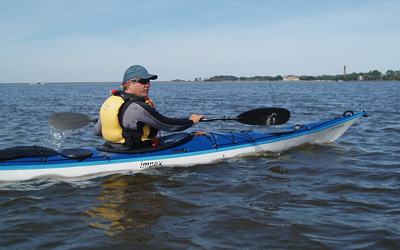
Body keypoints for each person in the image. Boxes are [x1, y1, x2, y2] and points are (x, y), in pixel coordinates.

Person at [94, 65, 204, 149]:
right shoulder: (137, 107)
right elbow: (167, 125)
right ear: (129, 84)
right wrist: (191, 122)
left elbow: (98, 132)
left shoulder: (108, 102)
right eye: (143, 81)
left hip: (111, 148)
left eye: (148, 81)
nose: (148, 85)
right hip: (134, 150)